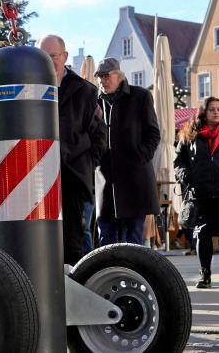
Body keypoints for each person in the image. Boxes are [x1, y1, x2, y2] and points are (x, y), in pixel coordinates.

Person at [40, 35, 106, 265]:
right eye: (43, 57)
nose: (48, 62)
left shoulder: (84, 91)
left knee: (74, 242)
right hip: (39, 179)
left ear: (64, 57)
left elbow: (99, 135)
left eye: (52, 57)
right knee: (43, 243)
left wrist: (85, 164)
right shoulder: (32, 89)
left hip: (73, 178)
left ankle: (78, 291)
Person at [175, 97, 219, 288]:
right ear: (203, 112)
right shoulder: (190, 135)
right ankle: (205, 275)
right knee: (203, 234)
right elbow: (179, 161)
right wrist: (186, 175)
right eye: (212, 109)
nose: (216, 112)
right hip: (201, 191)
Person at [96, 58, 160, 245]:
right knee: (106, 236)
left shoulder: (140, 96)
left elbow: (153, 133)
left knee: (134, 237)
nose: (102, 81)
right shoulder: (95, 101)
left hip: (134, 178)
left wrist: (140, 156)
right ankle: (108, 273)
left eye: (106, 76)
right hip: (105, 179)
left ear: (119, 76)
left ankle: (133, 274)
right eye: (100, 76)